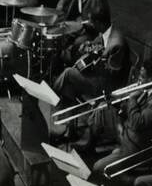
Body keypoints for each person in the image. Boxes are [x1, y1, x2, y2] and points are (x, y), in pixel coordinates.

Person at [52, 9, 131, 145]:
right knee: (69, 86)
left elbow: (112, 73)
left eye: (92, 22)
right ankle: (69, 130)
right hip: (98, 77)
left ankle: (54, 98)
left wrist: (95, 62)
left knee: (68, 73)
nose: (91, 24)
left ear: (100, 23)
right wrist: (88, 46)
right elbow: (98, 44)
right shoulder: (107, 32)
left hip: (107, 85)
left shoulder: (117, 44)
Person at [91, 58, 152, 181]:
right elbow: (127, 111)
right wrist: (118, 104)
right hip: (126, 134)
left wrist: (132, 98)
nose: (139, 80)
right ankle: (90, 145)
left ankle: (123, 181)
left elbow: (136, 123)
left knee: (98, 168)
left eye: (142, 77)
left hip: (137, 148)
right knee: (102, 108)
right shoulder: (148, 89)